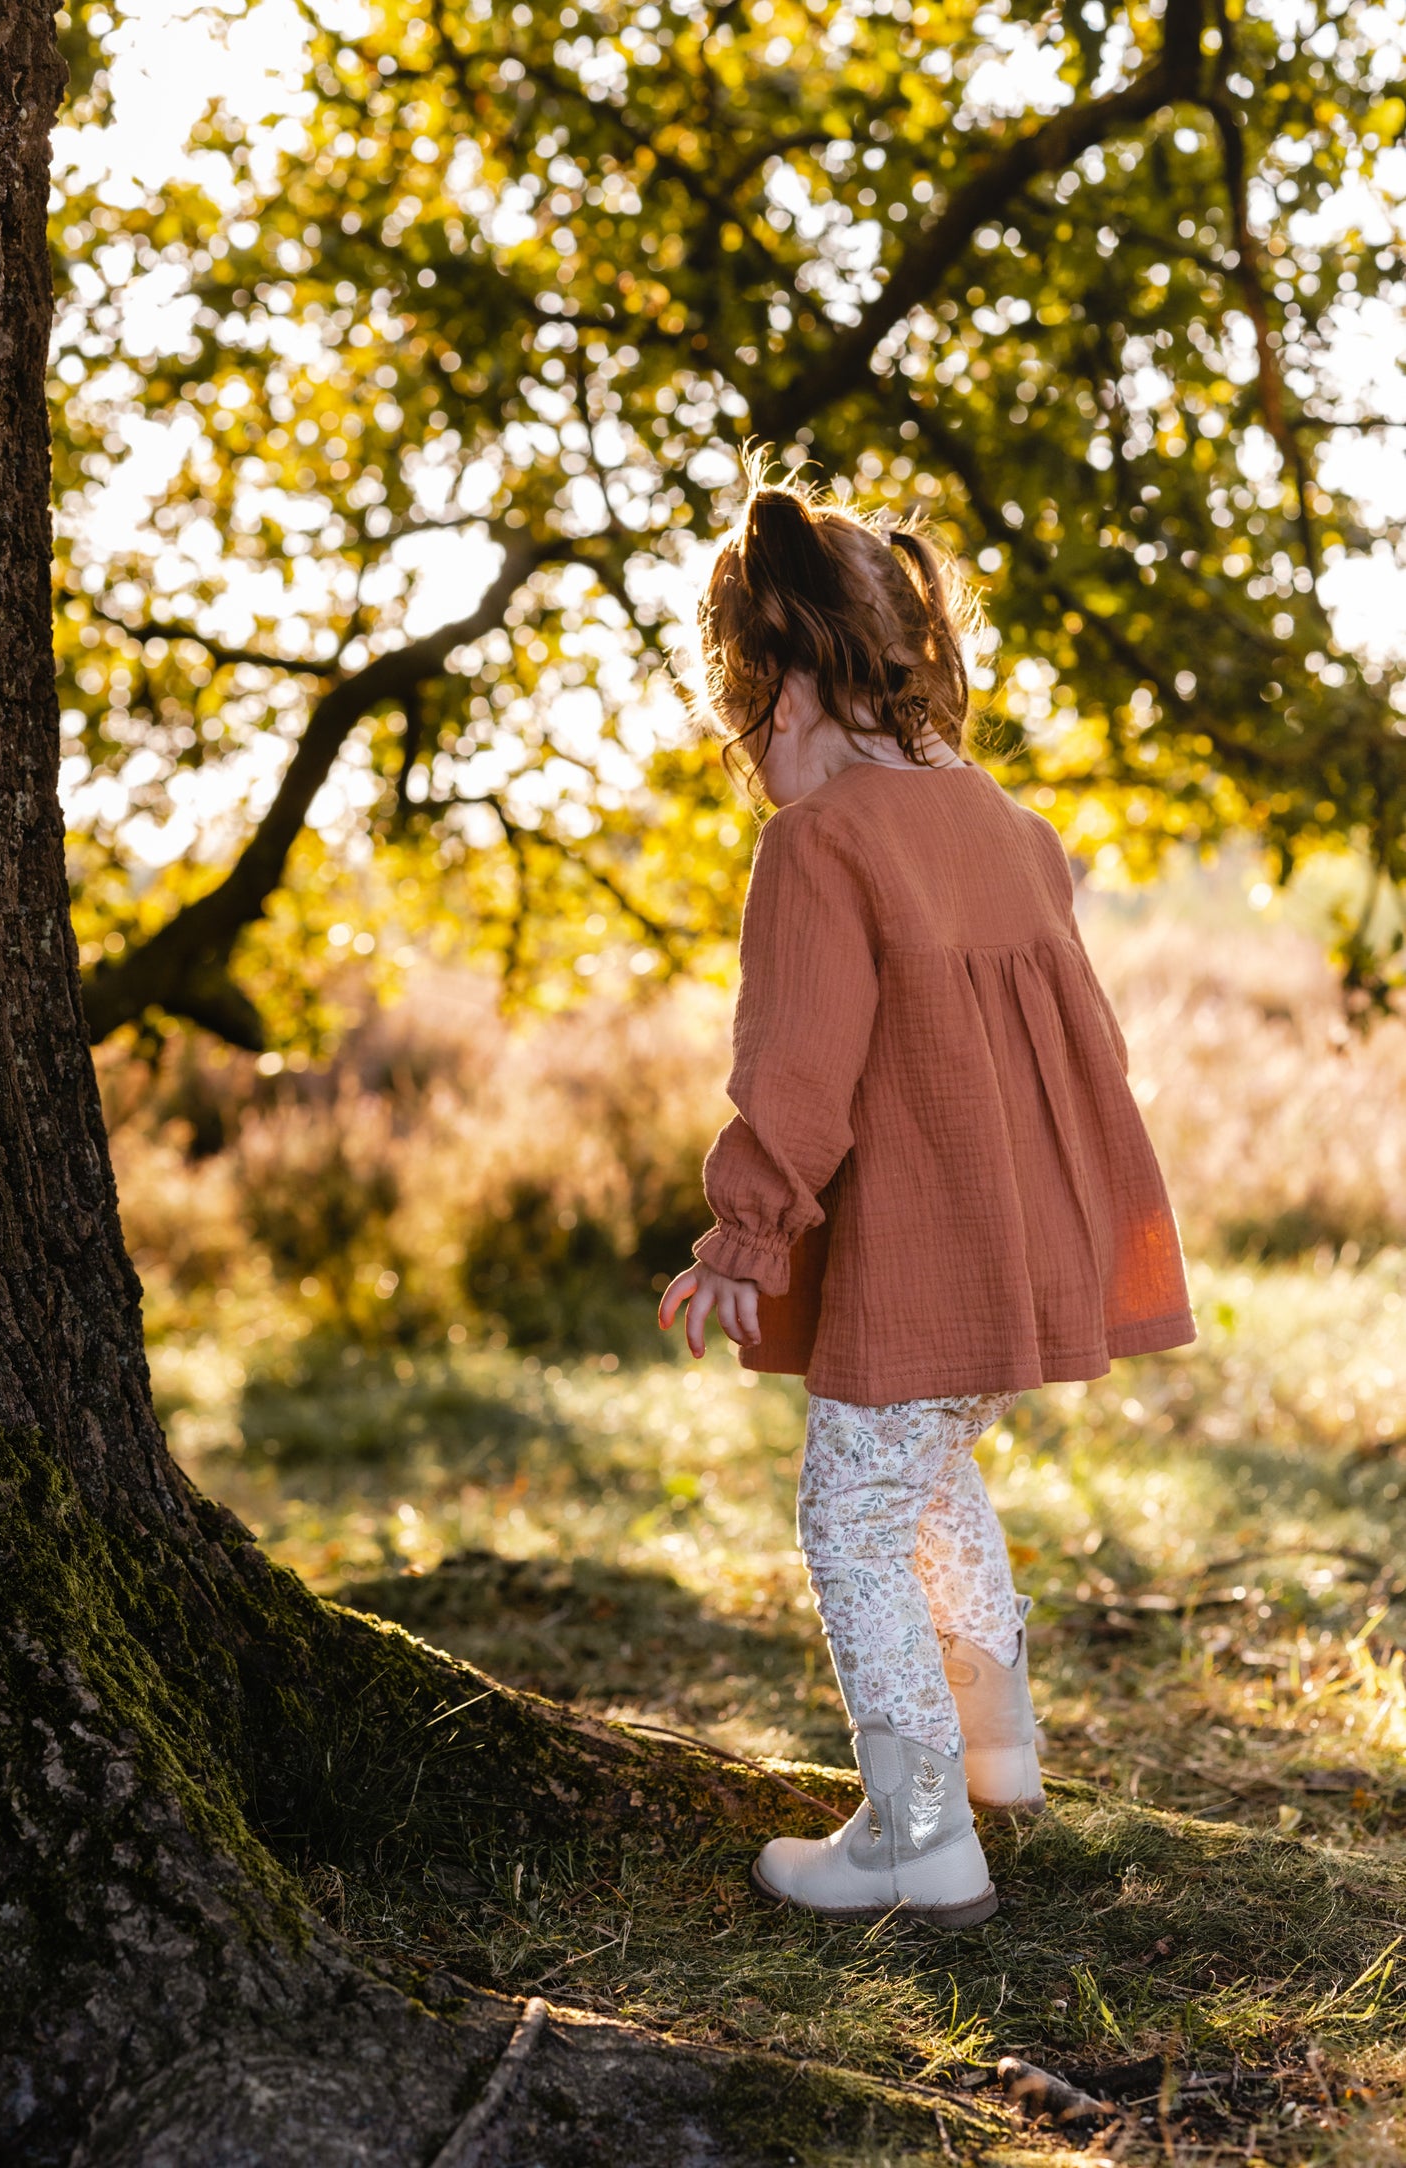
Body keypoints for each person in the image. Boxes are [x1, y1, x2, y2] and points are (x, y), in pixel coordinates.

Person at [659, 472, 1195, 1926]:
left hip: (920, 1251)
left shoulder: (818, 848)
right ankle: (994, 1752)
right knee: (930, 1478)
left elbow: (798, 1066)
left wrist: (741, 1237)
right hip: (1023, 1244)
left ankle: (912, 1833)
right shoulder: (1006, 825)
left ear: (764, 685)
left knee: (848, 1514)